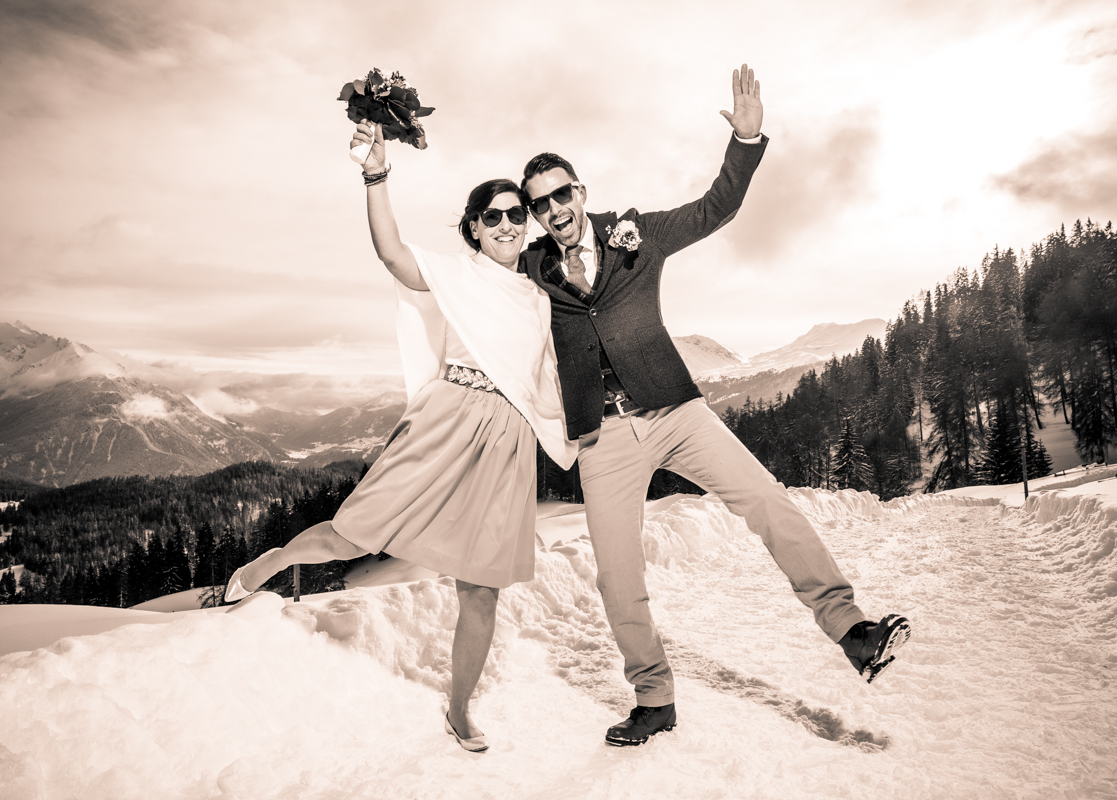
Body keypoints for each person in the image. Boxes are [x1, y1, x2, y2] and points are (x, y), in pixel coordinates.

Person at [518, 64, 911, 747]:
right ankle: (654, 698)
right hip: (602, 437)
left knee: (768, 501)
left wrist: (747, 144)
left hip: (676, 411)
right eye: (538, 203)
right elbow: (470, 276)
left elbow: (714, 208)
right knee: (618, 577)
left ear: (581, 192)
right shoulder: (529, 268)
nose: (552, 209)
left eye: (560, 193)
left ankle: (851, 630)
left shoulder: (631, 234)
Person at [225, 120, 576, 754]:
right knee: (350, 534)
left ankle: (460, 709)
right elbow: (390, 251)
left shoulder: (539, 295)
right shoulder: (455, 273)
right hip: (448, 418)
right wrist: (375, 175)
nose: (507, 224)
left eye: (516, 214)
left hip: (508, 442)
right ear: (473, 226)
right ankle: (264, 566)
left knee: (482, 586)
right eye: (492, 216)